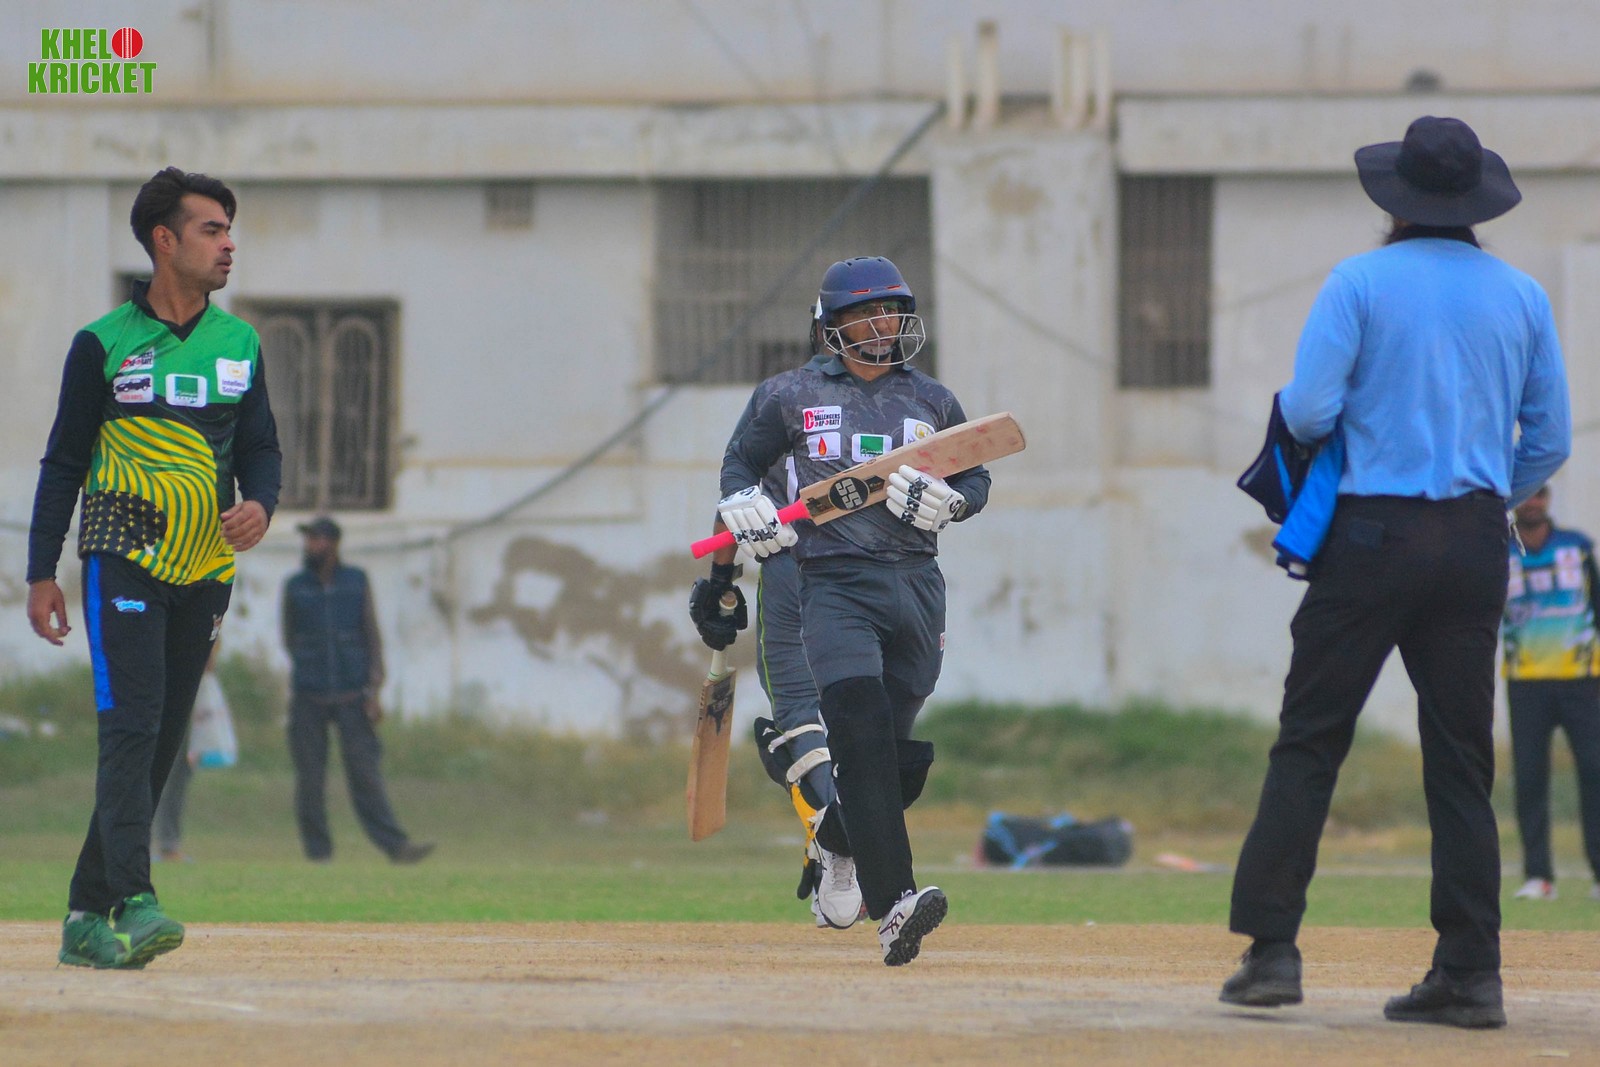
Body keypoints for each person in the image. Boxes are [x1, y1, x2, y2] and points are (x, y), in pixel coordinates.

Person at [1220, 116, 1570, 1029]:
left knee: (1311, 739)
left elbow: (1309, 410)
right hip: (1475, 539)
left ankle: (1272, 951)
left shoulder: (1359, 282)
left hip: (1372, 534)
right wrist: (1487, 493)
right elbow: (1551, 439)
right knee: (1461, 761)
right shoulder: (1523, 296)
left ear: (1395, 200)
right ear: (1476, 202)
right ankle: (1470, 972)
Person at [26, 167, 282, 969]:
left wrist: (261, 503)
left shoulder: (240, 343)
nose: (229, 244)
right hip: (123, 557)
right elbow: (64, 460)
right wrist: (41, 570)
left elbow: (261, 447)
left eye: (230, 230)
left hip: (205, 569)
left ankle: (83, 915)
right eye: (213, 229)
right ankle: (135, 900)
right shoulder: (102, 343)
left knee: (163, 740)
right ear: (164, 241)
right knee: (130, 726)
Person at [713, 256, 991, 966]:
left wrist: (955, 502)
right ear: (830, 325)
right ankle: (895, 905)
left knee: (891, 760)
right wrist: (742, 503)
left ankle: (837, 840)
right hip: (831, 583)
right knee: (859, 730)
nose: (882, 324)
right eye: (866, 313)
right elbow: (741, 465)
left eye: (891, 310)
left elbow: (976, 474)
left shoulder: (932, 399)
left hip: (917, 583)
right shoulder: (788, 394)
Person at [691, 332, 861, 930]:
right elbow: (738, 498)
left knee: (800, 715)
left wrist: (721, 580)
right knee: (853, 715)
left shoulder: (780, 398)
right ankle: (835, 840)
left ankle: (832, 837)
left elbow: (735, 496)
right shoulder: (900, 401)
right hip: (871, 577)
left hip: (797, 571)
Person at [282, 516, 433, 865]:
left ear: (333, 544)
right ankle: (319, 854)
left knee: (365, 774)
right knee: (310, 779)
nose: (310, 546)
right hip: (308, 694)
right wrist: (308, 664)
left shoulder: (356, 581)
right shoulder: (295, 586)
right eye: (308, 540)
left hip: (353, 693)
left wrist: (375, 688)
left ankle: (396, 847)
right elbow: (289, 637)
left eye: (316, 539)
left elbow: (371, 635)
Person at [1501, 484, 1600, 902]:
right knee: (1529, 779)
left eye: (1540, 495)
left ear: (1548, 499)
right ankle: (1539, 876)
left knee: (1594, 772)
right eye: (1527, 495)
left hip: (1581, 678)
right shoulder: (1499, 550)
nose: (1533, 502)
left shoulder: (1576, 547)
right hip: (1525, 680)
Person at [151, 641, 233, 862]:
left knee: (179, 769)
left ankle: (167, 843)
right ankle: (159, 843)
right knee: (166, 768)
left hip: (187, 682)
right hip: (169, 681)